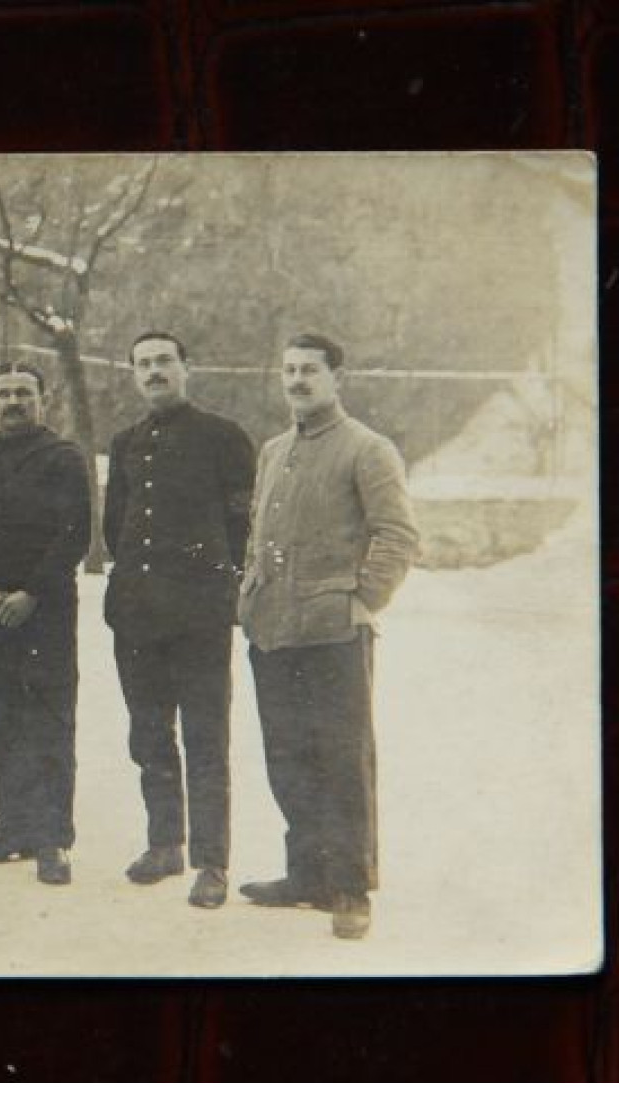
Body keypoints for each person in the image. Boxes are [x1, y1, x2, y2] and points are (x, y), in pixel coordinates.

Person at [239, 333, 419, 939]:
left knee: (341, 758)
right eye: (288, 370)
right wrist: (250, 593)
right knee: (287, 755)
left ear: (336, 377)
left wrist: (360, 599)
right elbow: (255, 534)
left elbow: (397, 536)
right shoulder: (273, 450)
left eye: (309, 370)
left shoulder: (367, 449)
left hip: (333, 632)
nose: (296, 380)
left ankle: (348, 887)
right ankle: (305, 874)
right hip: (272, 630)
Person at [104, 331, 256, 909]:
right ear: (133, 375)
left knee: (205, 740)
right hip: (137, 617)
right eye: (142, 364)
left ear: (186, 368)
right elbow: (115, 526)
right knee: (148, 735)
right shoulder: (125, 443)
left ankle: (212, 862)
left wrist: (219, 586)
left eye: (164, 361)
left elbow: (243, 523)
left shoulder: (223, 438)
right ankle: (163, 843)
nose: (154, 372)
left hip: (198, 618)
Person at [0, 362, 91, 886]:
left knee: (48, 723)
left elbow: (73, 534)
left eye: (23, 393)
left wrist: (31, 593)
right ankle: (10, 827)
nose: (12, 402)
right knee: (1, 724)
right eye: (2, 393)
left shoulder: (64, 459)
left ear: (41, 400)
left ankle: (52, 839)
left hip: (44, 613)